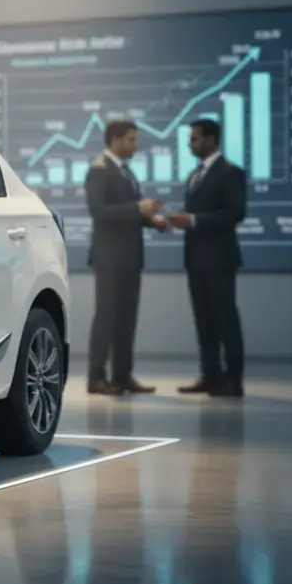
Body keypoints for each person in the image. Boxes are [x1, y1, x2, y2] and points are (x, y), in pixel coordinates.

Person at [84, 119, 165, 396]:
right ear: (115, 140)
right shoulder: (99, 171)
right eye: (131, 139)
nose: (135, 144)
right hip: (110, 258)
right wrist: (138, 207)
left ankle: (122, 376)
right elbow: (100, 212)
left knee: (127, 319)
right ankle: (96, 377)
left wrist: (152, 220)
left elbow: (129, 212)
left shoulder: (126, 171)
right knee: (107, 317)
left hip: (130, 258)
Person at [167, 118, 247, 397]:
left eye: (194, 139)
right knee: (204, 320)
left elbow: (236, 212)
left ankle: (233, 380)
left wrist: (194, 220)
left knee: (226, 319)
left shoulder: (230, 172)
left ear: (211, 140)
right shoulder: (194, 175)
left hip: (220, 259)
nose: (190, 144)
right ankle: (210, 376)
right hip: (196, 260)